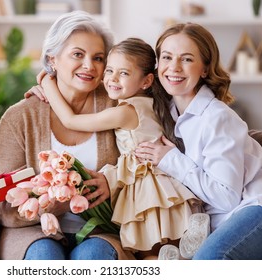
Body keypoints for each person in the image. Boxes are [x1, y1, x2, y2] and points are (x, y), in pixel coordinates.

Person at [135, 22, 262, 260]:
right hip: (217, 221)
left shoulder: (218, 117)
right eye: (166, 57)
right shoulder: (164, 114)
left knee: (210, 260)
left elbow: (226, 198)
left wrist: (171, 160)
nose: (173, 67)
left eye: (186, 59)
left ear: (204, 69)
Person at [38, 37, 202, 256]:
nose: (112, 79)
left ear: (146, 81)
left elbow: (70, 121)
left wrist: (47, 83)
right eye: (109, 70)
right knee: (157, 251)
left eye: (124, 73)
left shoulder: (125, 112)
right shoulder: (148, 103)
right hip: (161, 183)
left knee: (148, 252)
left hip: (147, 188)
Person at [0, 10, 135, 260]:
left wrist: (113, 182)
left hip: (100, 231)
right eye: (78, 54)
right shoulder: (20, 117)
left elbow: (147, 167)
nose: (89, 66)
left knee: (95, 258)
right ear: (53, 59)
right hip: (33, 232)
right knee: (43, 257)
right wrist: (45, 206)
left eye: (99, 58)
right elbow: (2, 207)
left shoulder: (118, 105)